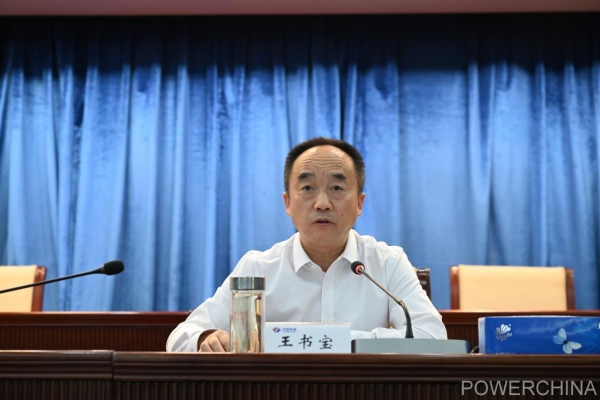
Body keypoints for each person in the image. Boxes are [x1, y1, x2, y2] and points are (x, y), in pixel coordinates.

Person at [167, 137, 447, 352]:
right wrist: (207, 337)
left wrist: (329, 342)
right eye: (307, 188)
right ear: (288, 203)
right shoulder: (258, 267)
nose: (322, 203)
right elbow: (180, 337)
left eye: (337, 188)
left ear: (359, 203)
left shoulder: (387, 263)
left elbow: (432, 338)